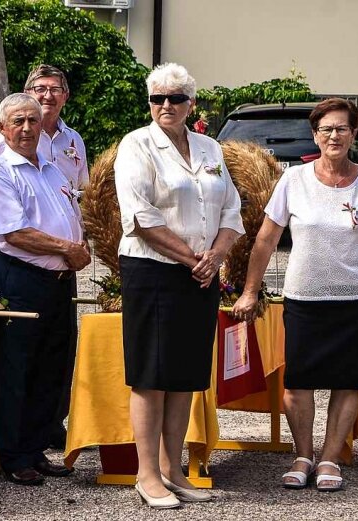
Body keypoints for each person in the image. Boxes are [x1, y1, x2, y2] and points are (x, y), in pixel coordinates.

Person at [232, 98, 358, 492]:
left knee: (347, 382)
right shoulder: (293, 181)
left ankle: (329, 458)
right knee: (298, 384)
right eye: (326, 129)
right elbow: (266, 239)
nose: (334, 135)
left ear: (354, 133)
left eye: (342, 128)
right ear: (315, 135)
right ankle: (302, 455)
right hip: (305, 299)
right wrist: (250, 291)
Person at [114, 63, 244, 508]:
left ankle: (173, 470)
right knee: (151, 375)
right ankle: (146, 474)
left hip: (201, 272)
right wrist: (195, 259)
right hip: (154, 270)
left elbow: (232, 209)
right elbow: (140, 217)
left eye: (175, 98)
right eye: (157, 98)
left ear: (191, 103)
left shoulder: (210, 147)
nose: (165, 106)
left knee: (185, 374)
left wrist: (217, 257)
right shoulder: (136, 145)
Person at [0, 92, 90, 486]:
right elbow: (15, 232)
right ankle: (13, 455)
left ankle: (36, 448)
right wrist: (68, 249)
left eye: (32, 120)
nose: (27, 128)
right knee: (18, 367)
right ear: (2, 128)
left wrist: (81, 245)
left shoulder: (50, 168)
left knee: (52, 367)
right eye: (18, 122)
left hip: (58, 279)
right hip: (21, 278)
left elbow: (71, 213)